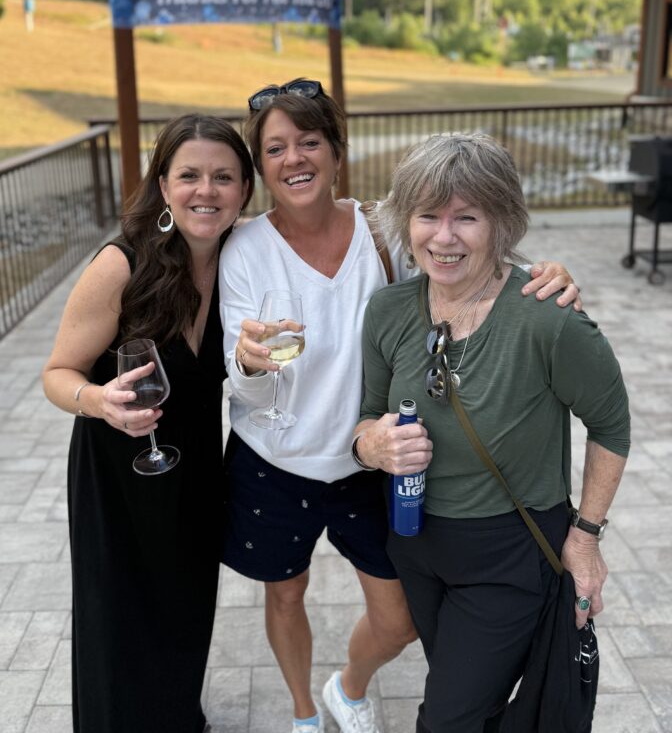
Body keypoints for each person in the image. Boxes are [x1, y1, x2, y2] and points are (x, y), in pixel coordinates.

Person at [219, 79, 581, 733]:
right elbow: (243, 384)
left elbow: (466, 273)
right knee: (285, 595)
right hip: (274, 462)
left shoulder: (382, 229)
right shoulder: (243, 249)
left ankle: (347, 688)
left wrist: (540, 277)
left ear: (335, 150)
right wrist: (247, 364)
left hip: (373, 460)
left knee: (402, 617)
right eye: (275, 148)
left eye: (309, 141)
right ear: (260, 164)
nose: (294, 159)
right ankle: (303, 713)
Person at [355, 132, 630, 733]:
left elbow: (611, 422)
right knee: (468, 702)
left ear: (502, 222)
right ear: (406, 220)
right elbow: (367, 414)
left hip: (510, 553)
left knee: (447, 719)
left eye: (467, 217)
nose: (444, 237)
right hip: (415, 540)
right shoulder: (389, 311)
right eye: (428, 215)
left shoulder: (547, 317)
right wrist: (370, 445)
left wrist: (585, 537)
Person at [42, 115, 254, 733]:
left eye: (223, 176)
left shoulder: (244, 257)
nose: (205, 191)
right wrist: (97, 399)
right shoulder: (121, 263)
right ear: (163, 185)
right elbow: (56, 372)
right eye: (189, 175)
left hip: (193, 470)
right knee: (118, 620)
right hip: (117, 472)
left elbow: (338, 222)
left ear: (244, 188)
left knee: (186, 610)